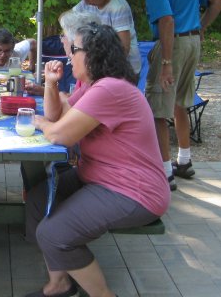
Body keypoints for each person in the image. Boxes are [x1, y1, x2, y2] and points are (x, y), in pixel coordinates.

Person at [25, 23, 170, 297]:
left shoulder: (109, 89)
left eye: (74, 48)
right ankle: (60, 285)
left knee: (53, 233)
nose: (69, 55)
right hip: (97, 177)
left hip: (133, 191)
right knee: (37, 200)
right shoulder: (94, 86)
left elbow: (58, 134)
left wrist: (39, 122)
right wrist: (51, 83)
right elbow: (58, 115)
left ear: (92, 54)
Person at [136, 0, 221, 191]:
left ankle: (165, 173)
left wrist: (166, 63)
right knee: (180, 104)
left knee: (158, 110)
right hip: (192, 43)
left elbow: (166, 21)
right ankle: (184, 161)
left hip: (172, 45)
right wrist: (201, 27)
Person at [72, 0, 142, 80]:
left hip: (124, 71)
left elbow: (124, 49)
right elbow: (66, 19)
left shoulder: (118, 7)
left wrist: (100, 69)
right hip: (101, 70)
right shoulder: (87, 3)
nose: (86, 2)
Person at [24, 11, 100, 96]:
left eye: (63, 35)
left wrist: (49, 87)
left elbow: (71, 101)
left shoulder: (87, 71)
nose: (61, 40)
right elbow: (70, 99)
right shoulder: (81, 65)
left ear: (75, 39)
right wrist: (46, 87)